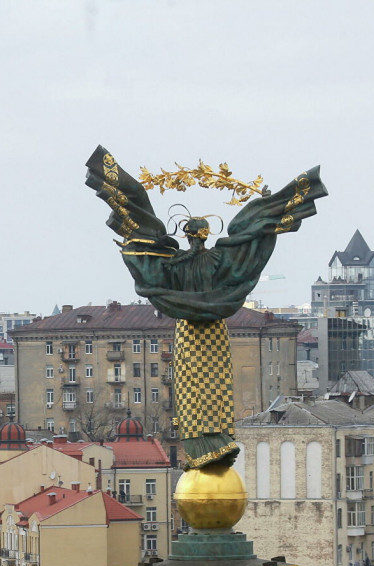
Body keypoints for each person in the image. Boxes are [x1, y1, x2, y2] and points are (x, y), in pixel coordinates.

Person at [86, 146, 327, 469]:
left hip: (188, 334)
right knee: (214, 386)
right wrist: (265, 213)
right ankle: (215, 445)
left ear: (186, 236)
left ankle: (201, 448)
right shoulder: (222, 260)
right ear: (205, 233)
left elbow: (146, 256)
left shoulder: (173, 265)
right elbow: (250, 248)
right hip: (214, 333)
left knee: (190, 389)